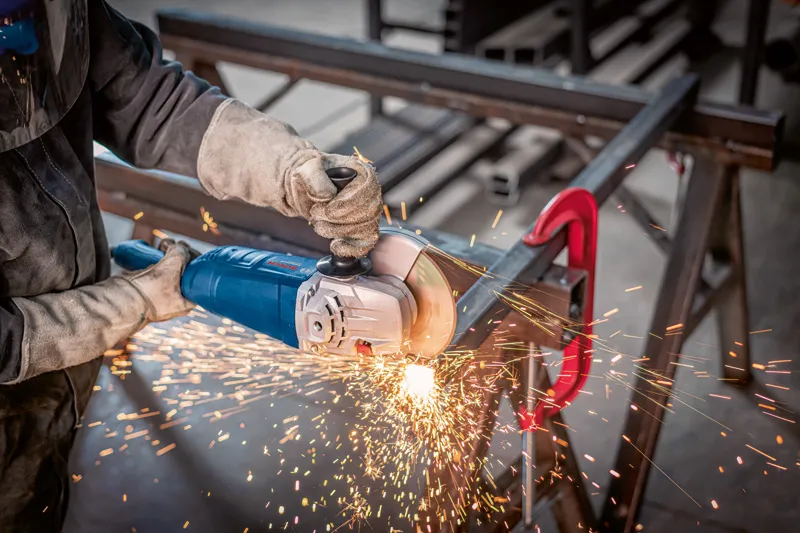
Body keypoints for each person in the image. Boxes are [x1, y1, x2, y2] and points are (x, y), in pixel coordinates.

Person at [0, 0, 382, 530]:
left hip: (60, 394)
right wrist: (129, 302)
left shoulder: (59, 12)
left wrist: (289, 167)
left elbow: (153, 100)